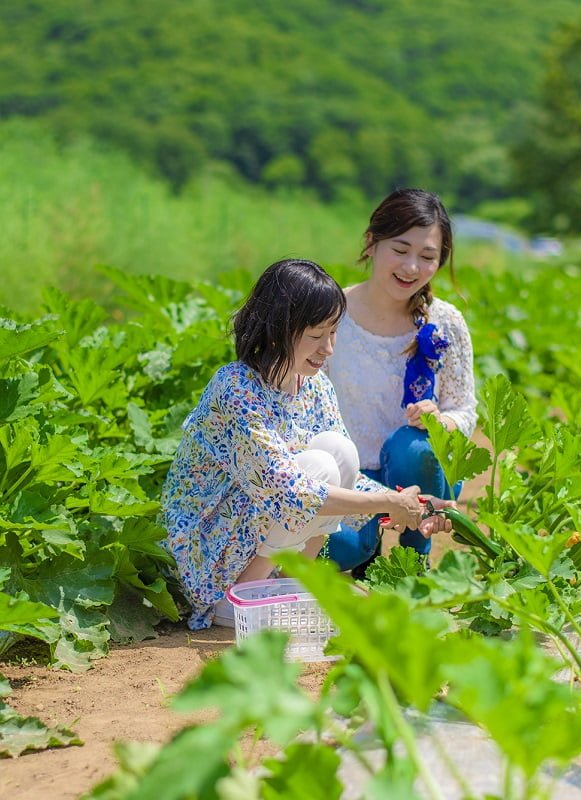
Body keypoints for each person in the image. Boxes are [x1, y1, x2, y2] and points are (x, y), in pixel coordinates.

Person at [161, 258, 453, 629]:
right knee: (318, 468)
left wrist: (418, 504)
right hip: (213, 554)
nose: (328, 348)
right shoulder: (235, 388)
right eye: (316, 336)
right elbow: (290, 492)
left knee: (339, 452)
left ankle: (293, 583)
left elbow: (348, 478)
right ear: (276, 331)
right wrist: (389, 503)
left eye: (333, 333)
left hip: (261, 523)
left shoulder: (314, 386)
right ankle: (237, 598)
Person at [324, 189, 477, 576]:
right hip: (351, 475)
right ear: (372, 243)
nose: (411, 267)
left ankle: (415, 557)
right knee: (338, 552)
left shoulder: (446, 322)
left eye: (427, 257)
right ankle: (367, 547)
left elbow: (465, 409)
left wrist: (441, 421)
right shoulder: (331, 315)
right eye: (400, 249)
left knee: (414, 448)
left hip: (420, 472)